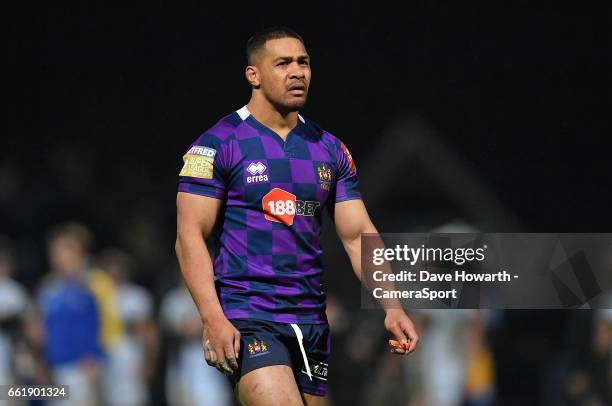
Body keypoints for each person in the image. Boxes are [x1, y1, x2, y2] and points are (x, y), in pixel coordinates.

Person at [175, 26, 419, 405]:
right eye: (283, 63)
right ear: (253, 75)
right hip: (248, 313)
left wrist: (392, 306)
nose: (298, 72)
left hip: (311, 319)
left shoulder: (329, 149)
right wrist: (212, 317)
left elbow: (357, 236)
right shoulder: (218, 144)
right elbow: (189, 236)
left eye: (303, 62)